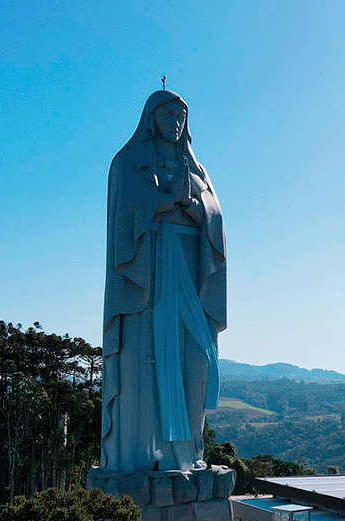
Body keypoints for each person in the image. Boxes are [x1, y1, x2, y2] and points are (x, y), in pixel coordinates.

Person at [101, 90, 227, 472]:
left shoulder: (197, 168)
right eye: (168, 114)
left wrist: (193, 207)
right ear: (151, 117)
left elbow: (215, 217)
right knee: (144, 359)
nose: (176, 122)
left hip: (189, 265)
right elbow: (125, 210)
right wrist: (164, 201)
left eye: (181, 116)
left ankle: (187, 452)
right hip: (146, 275)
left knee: (197, 357)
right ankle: (138, 458)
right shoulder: (129, 162)